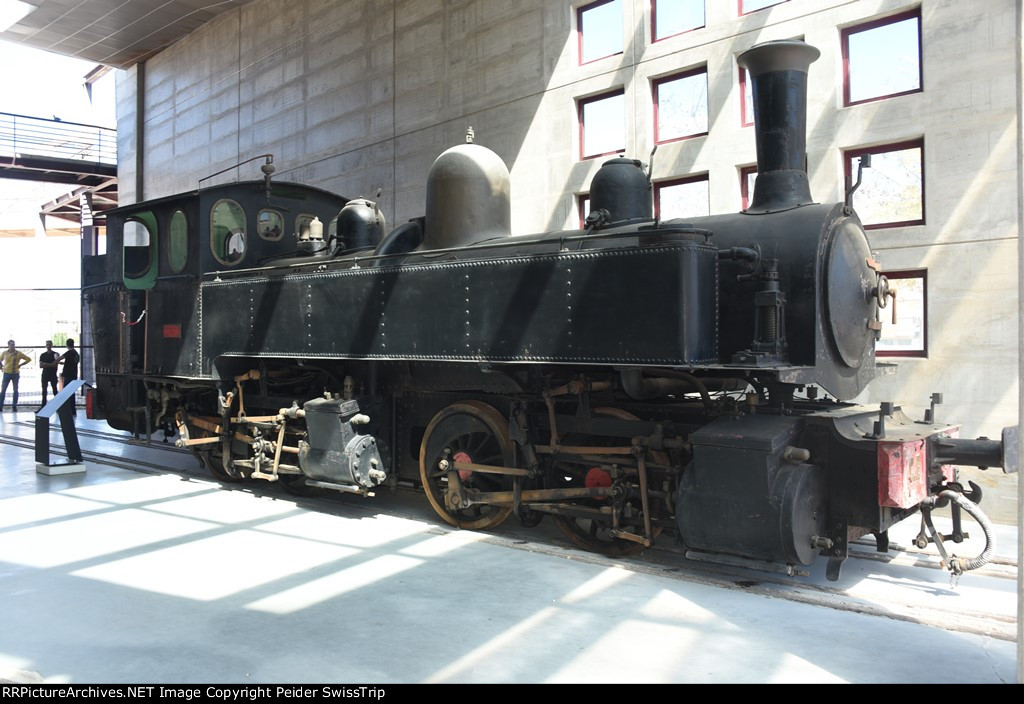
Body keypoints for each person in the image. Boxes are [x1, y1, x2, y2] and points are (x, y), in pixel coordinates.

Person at [0, 339, 32, 413]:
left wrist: (20, 365)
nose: (13, 346)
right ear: (8, 345)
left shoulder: (18, 353)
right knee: (3, 390)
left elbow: (28, 359)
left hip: (15, 374)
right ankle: (0, 406)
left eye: (14, 344)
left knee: (15, 390)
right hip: (6, 373)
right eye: (11, 345)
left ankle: (14, 406)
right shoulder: (4, 353)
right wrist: (1, 367)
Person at [39, 340, 59, 406]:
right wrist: (51, 364)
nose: (48, 346)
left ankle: (57, 406)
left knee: (55, 390)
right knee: (44, 391)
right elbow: (41, 365)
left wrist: (45, 364)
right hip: (45, 375)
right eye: (47, 344)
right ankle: (43, 406)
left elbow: (55, 364)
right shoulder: (43, 355)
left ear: (52, 345)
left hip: (53, 375)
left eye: (49, 344)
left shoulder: (55, 354)